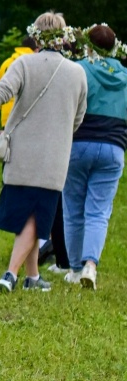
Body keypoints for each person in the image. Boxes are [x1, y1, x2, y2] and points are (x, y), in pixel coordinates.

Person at [0, 12, 87, 293]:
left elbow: (0, 92)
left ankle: (32, 277)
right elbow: (78, 117)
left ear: (36, 36)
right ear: (63, 37)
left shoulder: (23, 63)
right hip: (54, 157)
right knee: (36, 217)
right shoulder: (77, 73)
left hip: (20, 153)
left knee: (29, 216)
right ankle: (11, 274)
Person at [60, 25, 127, 289]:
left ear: (88, 46)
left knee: (73, 209)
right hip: (114, 148)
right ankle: (91, 265)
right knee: (98, 212)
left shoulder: (79, 69)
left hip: (79, 144)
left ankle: (75, 269)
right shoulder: (125, 75)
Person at [0, 36, 38, 127]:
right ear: (37, 49)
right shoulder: (33, 64)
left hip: (6, 116)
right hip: (24, 116)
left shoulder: (6, 63)